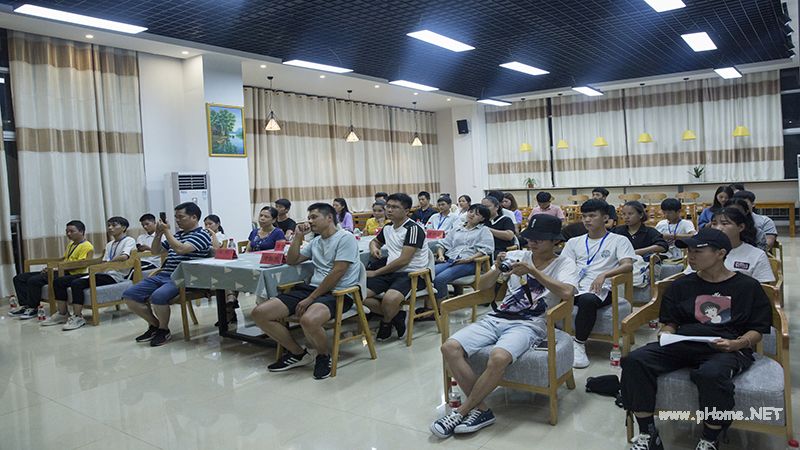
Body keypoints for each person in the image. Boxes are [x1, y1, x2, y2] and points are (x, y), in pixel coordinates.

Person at [620, 228, 771, 450]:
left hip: (726, 347)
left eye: (698, 251)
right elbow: (671, 321)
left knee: (711, 374)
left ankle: (710, 438)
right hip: (683, 343)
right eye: (689, 251)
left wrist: (738, 344)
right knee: (635, 361)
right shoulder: (682, 285)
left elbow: (757, 329)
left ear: (720, 253)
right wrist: (667, 332)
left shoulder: (747, 287)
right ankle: (648, 434)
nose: (690, 256)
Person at [431, 214, 577, 438]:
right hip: (497, 317)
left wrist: (533, 272)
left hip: (531, 324)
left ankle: (462, 411)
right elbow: (482, 287)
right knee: (449, 347)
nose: (533, 242)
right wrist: (497, 269)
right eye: (530, 237)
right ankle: (482, 410)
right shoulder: (516, 255)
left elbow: (567, 293)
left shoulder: (564, 263)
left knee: (499, 357)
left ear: (555, 241)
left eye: (539, 239)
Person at [251, 203, 362, 379]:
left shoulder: (345, 238)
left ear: (329, 218)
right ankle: (298, 353)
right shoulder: (316, 241)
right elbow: (292, 260)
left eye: (314, 217)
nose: (310, 221)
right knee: (260, 313)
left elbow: (338, 272)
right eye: (309, 217)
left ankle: (323, 356)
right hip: (312, 289)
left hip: (339, 292)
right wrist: (298, 237)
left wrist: (311, 298)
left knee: (308, 320)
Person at [122, 202, 211, 347]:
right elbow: (155, 251)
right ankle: (155, 325)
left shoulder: (202, 235)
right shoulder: (178, 235)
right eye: (176, 217)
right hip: (164, 274)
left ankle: (163, 330)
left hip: (183, 277)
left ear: (194, 217)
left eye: (181, 217)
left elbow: (181, 249)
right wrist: (158, 234)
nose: (177, 220)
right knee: (129, 295)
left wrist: (167, 231)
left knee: (158, 296)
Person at [561, 199, 635, 368]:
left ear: (605, 218)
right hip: (575, 287)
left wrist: (604, 274)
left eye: (592, 216)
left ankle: (579, 343)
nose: (587, 220)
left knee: (588, 299)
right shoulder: (574, 242)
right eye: (584, 216)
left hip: (602, 289)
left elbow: (627, 265)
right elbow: (564, 266)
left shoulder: (619, 240)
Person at [42, 217, 136, 330]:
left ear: (124, 227)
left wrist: (105, 265)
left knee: (77, 283)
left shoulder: (129, 240)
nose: (110, 228)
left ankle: (78, 317)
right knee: (59, 281)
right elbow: (104, 261)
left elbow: (124, 257)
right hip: (103, 272)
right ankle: (62, 314)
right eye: (109, 225)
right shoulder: (109, 244)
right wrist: (102, 266)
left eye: (114, 225)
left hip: (115, 276)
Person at [364, 193, 429, 341]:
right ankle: (397, 315)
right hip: (391, 272)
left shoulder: (413, 229)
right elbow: (375, 241)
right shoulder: (388, 227)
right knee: (358, 294)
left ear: (406, 211)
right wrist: (374, 248)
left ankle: (386, 321)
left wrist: (376, 273)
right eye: (388, 206)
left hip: (412, 274)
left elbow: (403, 260)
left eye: (394, 207)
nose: (389, 210)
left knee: (389, 299)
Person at [9, 221, 95, 320]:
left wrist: (55, 268)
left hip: (71, 272)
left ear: (81, 231)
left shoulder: (87, 246)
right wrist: (51, 266)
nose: (68, 234)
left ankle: (33, 308)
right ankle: (26, 305)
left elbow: (81, 264)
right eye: (67, 231)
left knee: (34, 280)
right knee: (19, 278)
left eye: (72, 231)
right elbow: (64, 259)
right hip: (61, 269)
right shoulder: (71, 244)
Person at [685, 208, 775, 283]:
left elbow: (765, 290)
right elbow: (687, 277)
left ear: (741, 227)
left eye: (725, 223)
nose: (718, 228)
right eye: (714, 223)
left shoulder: (757, 255)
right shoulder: (704, 251)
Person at [431, 204, 494, 302]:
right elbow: (443, 244)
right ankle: (435, 303)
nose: (472, 215)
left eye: (477, 214)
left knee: (440, 279)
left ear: (482, 218)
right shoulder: (457, 228)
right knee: (430, 273)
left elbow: (486, 249)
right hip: (451, 260)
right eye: (471, 211)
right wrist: (441, 255)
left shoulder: (484, 230)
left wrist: (470, 258)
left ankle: (441, 306)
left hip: (470, 263)